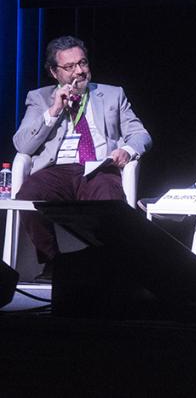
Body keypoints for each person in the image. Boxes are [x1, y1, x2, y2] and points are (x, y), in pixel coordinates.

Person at [13, 35, 152, 282]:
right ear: (54, 73)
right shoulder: (39, 98)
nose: (79, 71)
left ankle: (105, 262)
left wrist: (127, 151)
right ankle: (53, 263)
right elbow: (23, 144)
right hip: (58, 169)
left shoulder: (112, 95)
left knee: (110, 198)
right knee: (27, 194)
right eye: (70, 67)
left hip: (98, 166)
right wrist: (54, 110)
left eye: (83, 63)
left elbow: (140, 134)